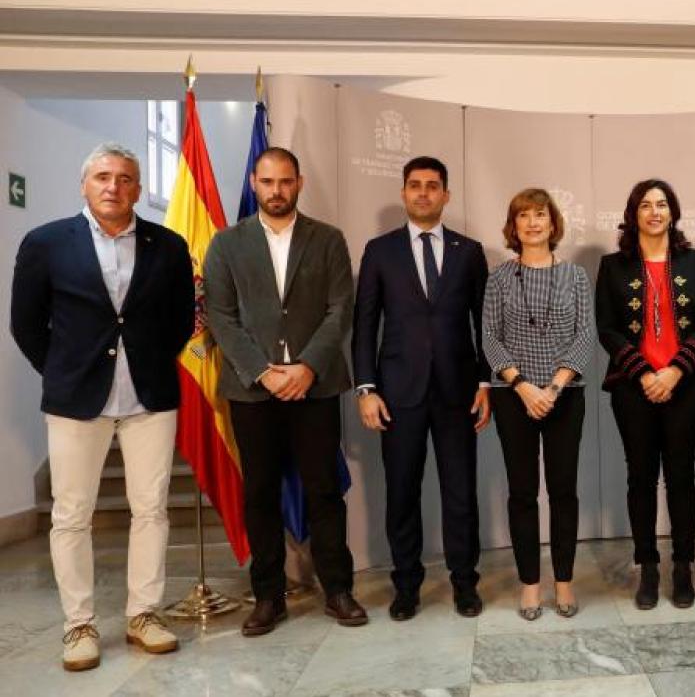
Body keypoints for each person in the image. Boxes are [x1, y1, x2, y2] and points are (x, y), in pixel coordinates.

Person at [10, 143, 193, 671]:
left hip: (150, 397)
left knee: (151, 509)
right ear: (85, 184)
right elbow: (26, 323)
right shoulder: (45, 243)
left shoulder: (169, 245)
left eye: (126, 178)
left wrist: (152, 360)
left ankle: (144, 615)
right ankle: (79, 625)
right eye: (104, 177)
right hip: (75, 401)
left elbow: (180, 319)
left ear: (138, 188)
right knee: (71, 514)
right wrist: (64, 371)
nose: (114, 186)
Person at [204, 146, 366, 635]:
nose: (277, 191)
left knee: (323, 490)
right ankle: (268, 596)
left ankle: (337, 589)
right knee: (259, 494)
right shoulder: (226, 244)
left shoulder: (328, 239)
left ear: (299, 182)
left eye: (286, 182)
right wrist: (265, 371)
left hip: (314, 388)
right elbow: (221, 316)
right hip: (252, 391)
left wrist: (306, 367)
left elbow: (341, 309)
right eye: (268, 182)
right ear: (254, 182)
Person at [351, 155, 491, 621]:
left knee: (460, 492)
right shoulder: (380, 250)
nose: (424, 193)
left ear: (446, 195)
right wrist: (366, 388)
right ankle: (406, 586)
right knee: (402, 493)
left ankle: (465, 584)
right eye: (415, 185)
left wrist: (484, 382)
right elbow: (365, 323)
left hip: (457, 392)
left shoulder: (468, 252)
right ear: (404, 193)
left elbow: (484, 323)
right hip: (397, 394)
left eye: (433, 186)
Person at [596, 179, 695, 610]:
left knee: (682, 477)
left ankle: (683, 567)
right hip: (632, 387)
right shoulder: (613, 265)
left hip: (683, 386)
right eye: (645, 205)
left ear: (673, 212)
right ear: (634, 214)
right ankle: (647, 568)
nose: (654, 212)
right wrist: (646, 373)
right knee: (640, 479)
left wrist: (673, 372)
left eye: (662, 204)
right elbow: (606, 328)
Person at [482, 188, 595, 620]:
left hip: (565, 397)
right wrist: (524, 387)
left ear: (553, 223)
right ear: (514, 226)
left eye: (540, 215)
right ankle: (530, 585)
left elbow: (585, 335)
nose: (532, 223)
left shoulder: (576, 277)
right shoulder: (498, 278)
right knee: (522, 493)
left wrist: (554, 387)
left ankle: (563, 582)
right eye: (523, 215)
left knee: (564, 492)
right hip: (515, 398)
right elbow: (490, 337)